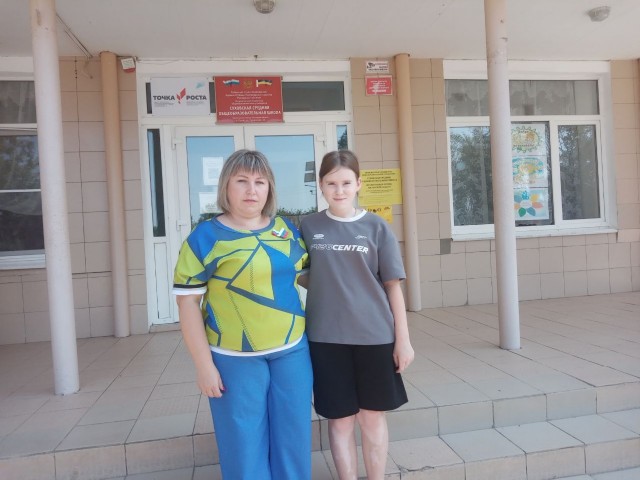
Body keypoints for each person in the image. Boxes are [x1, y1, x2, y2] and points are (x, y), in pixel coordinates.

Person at [173, 149, 312, 480]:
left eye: (260, 182)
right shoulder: (204, 237)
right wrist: (204, 366)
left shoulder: (285, 229)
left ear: (269, 188)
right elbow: (187, 304)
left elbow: (309, 277)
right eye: (242, 181)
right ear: (226, 186)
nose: (252, 190)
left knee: (293, 441)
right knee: (243, 448)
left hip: (292, 351)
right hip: (233, 359)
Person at [300, 150, 414, 480]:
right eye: (331, 183)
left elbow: (393, 286)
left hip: (374, 337)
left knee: (372, 417)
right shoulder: (308, 226)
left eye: (346, 183)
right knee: (340, 419)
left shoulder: (377, 227)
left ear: (359, 183)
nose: (339, 190)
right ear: (321, 185)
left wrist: (403, 341)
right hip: (325, 338)